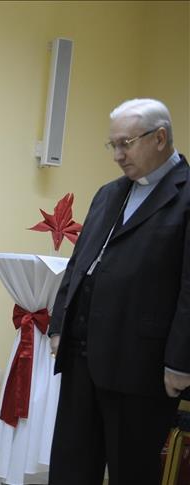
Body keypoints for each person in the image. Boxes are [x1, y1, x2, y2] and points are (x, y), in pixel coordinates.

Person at [47, 98, 189, 484]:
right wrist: (59, 325)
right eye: (113, 145)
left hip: (140, 361)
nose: (118, 155)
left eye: (126, 144)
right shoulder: (109, 193)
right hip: (82, 354)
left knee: (132, 469)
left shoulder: (185, 195)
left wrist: (181, 361)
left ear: (160, 138)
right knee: (71, 465)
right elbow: (79, 264)